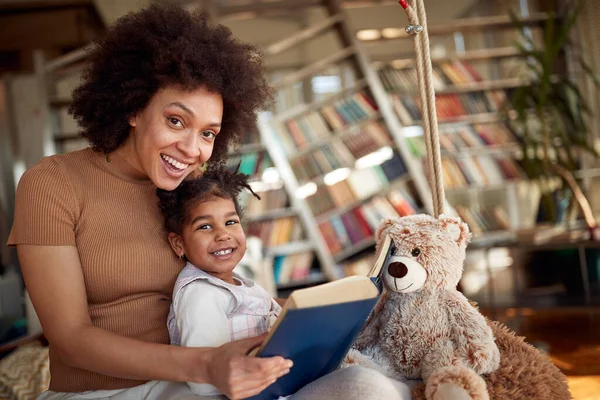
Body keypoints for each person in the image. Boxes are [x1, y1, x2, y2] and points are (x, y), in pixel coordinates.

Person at [8, 3, 414, 400]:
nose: (191, 149)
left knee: (369, 387)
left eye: (208, 133)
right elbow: (71, 339)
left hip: (201, 380)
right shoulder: (51, 184)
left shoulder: (191, 185)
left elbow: (225, 287)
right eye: (175, 120)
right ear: (133, 107)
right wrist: (205, 365)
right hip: (110, 391)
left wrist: (313, 316)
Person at [156, 164, 283, 396]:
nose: (223, 234)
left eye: (231, 222)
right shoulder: (200, 294)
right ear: (178, 244)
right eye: (205, 226)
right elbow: (205, 382)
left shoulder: (237, 282)